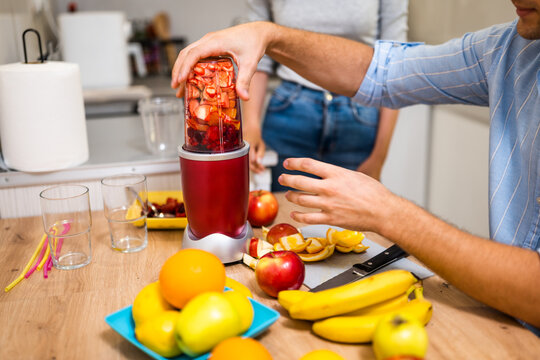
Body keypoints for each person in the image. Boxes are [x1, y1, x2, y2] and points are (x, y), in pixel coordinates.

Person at [171, 0, 540, 331]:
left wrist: (389, 213)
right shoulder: (509, 49)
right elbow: (385, 71)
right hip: (506, 324)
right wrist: (268, 35)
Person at [242, 0, 407, 190]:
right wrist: (251, 125)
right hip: (291, 113)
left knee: (353, 217)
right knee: (288, 215)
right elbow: (258, 54)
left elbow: (394, 65)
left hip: (358, 118)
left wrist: (379, 156)